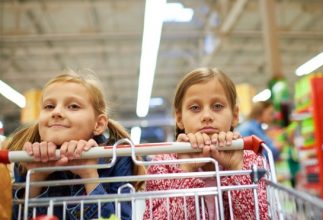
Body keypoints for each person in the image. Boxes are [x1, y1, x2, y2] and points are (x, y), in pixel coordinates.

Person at [8, 70, 143, 220]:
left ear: (98, 124)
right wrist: (36, 179)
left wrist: (89, 176)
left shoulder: (118, 159)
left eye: (73, 106)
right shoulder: (27, 160)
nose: (56, 112)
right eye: (49, 106)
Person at [143, 68, 268, 219]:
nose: (207, 116)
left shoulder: (251, 161)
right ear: (179, 118)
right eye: (195, 108)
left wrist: (237, 170)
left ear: (235, 115)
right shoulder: (163, 165)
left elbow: (260, 216)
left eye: (217, 106)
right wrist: (185, 173)